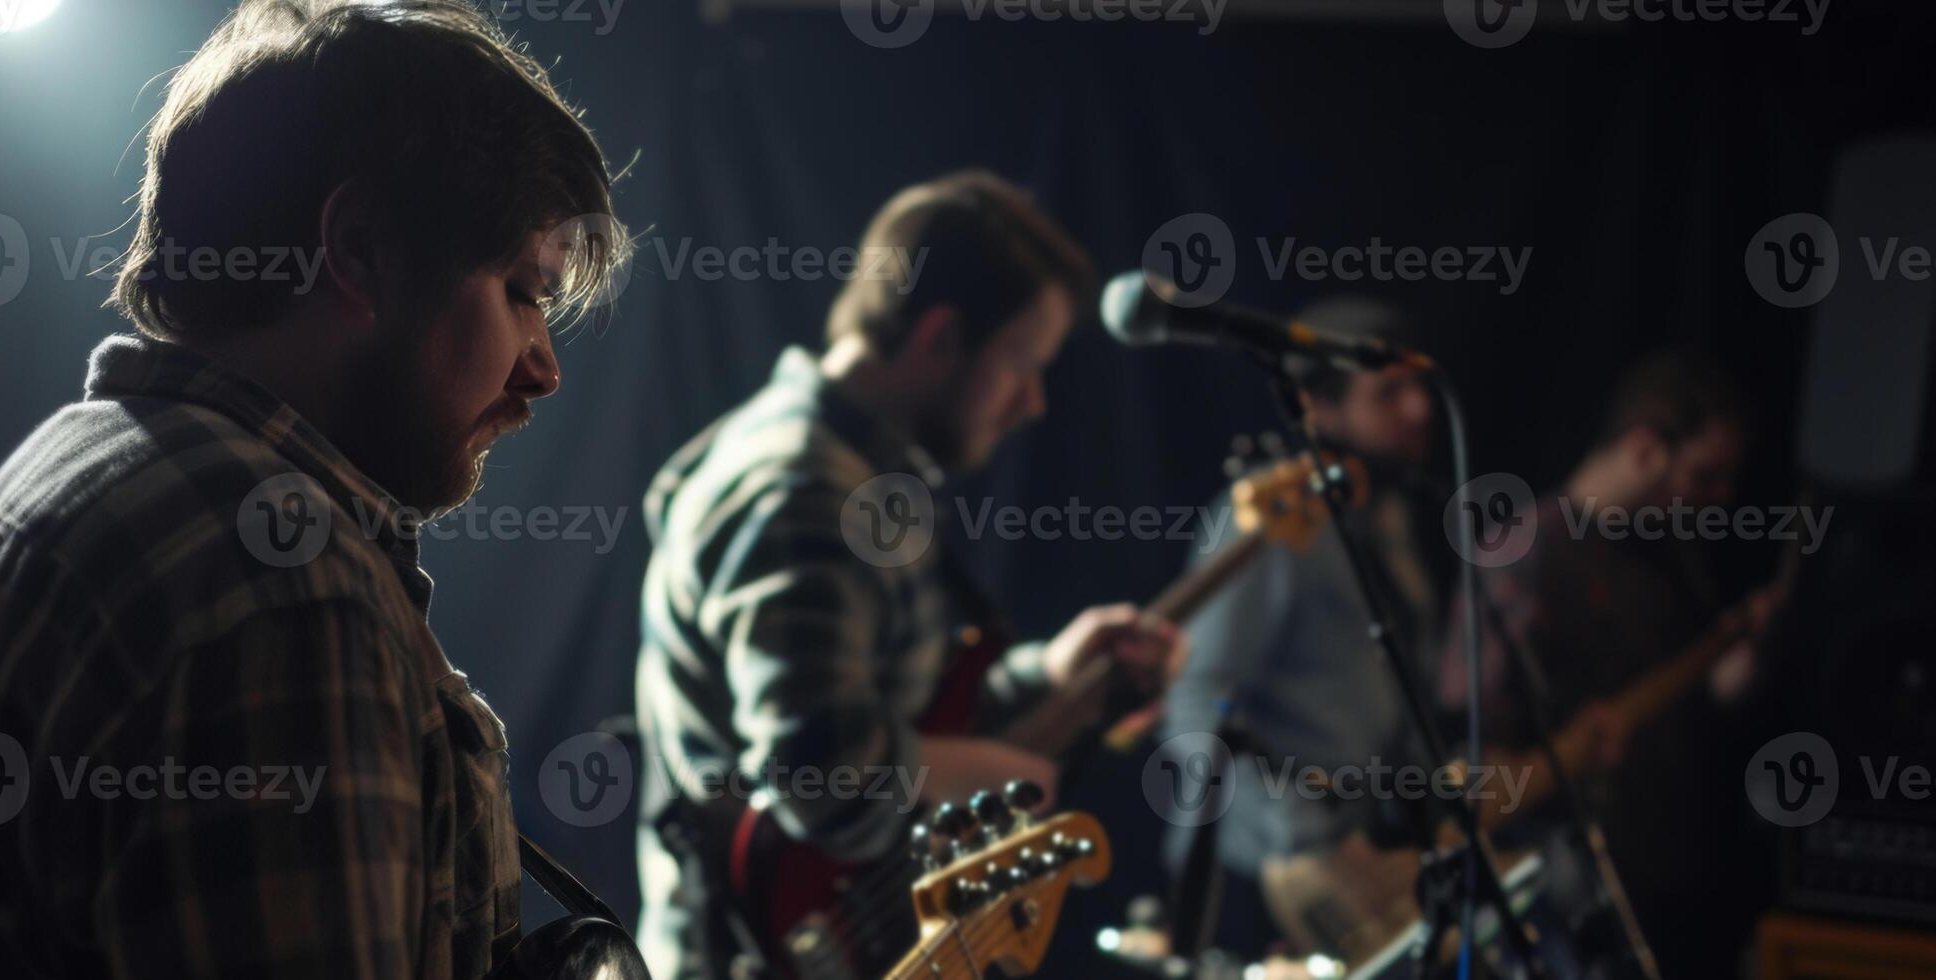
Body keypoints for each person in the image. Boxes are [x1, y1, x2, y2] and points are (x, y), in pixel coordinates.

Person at [0, 3, 629, 978]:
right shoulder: (277, 587)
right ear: (359, 250)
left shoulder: (78, 462)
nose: (544, 367)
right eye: (523, 289)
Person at [633, 171, 1186, 979]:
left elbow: (898, 712)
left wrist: (1049, 673)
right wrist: (1001, 775)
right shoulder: (805, 493)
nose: (1032, 403)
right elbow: (824, 779)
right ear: (939, 337)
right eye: (1020, 364)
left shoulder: (860, 472)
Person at [1441, 351, 1781, 976]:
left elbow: (1705, 708)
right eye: (1705, 476)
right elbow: (1473, 739)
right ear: (1646, 449)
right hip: (1567, 893)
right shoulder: (1527, 551)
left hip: (1673, 875)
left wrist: (1743, 657)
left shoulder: (1671, 560)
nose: (1720, 498)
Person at [1157, 296, 1458, 958]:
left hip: (1365, 857)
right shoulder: (1270, 518)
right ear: (1319, 409)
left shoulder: (1393, 518)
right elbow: (1193, 701)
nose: (1419, 409)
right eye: (1389, 393)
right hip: (1257, 879)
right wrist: (1298, 831)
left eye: (1418, 387)